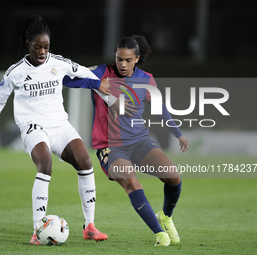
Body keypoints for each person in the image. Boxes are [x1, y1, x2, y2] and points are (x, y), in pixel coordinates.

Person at [0, 15, 109, 244]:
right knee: (45, 164)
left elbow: (81, 71)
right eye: (38, 46)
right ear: (28, 44)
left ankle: (90, 226)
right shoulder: (15, 72)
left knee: (85, 161)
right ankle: (37, 229)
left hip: (60, 124)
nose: (43, 51)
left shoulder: (58, 62)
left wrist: (99, 84)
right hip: (33, 126)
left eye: (46, 46)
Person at [63, 35, 189, 246]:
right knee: (131, 182)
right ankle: (160, 234)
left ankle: (165, 217)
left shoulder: (147, 79)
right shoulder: (102, 72)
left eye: (128, 60)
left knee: (174, 177)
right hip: (110, 147)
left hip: (140, 142)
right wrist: (96, 84)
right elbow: (67, 80)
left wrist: (178, 134)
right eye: (119, 59)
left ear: (137, 59)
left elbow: (160, 108)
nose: (122, 64)